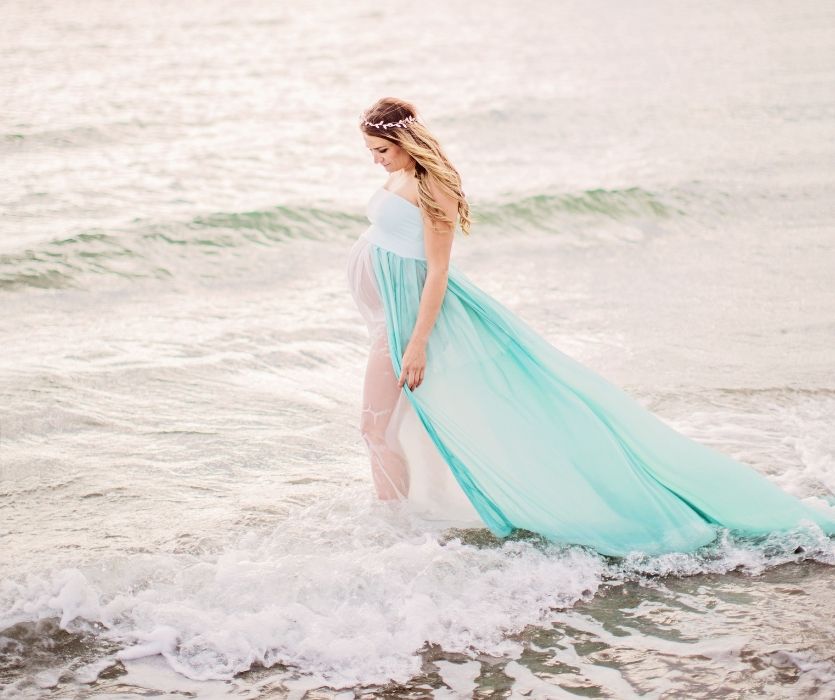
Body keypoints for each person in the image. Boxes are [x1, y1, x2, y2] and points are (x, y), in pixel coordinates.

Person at [345, 96, 835, 557]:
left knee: (376, 426)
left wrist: (417, 343)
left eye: (382, 150)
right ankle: (397, 523)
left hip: (409, 323)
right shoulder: (400, 177)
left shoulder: (434, 188)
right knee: (388, 427)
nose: (376, 161)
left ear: (408, 142)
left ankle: (393, 532)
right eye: (371, 152)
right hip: (388, 317)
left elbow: (437, 270)